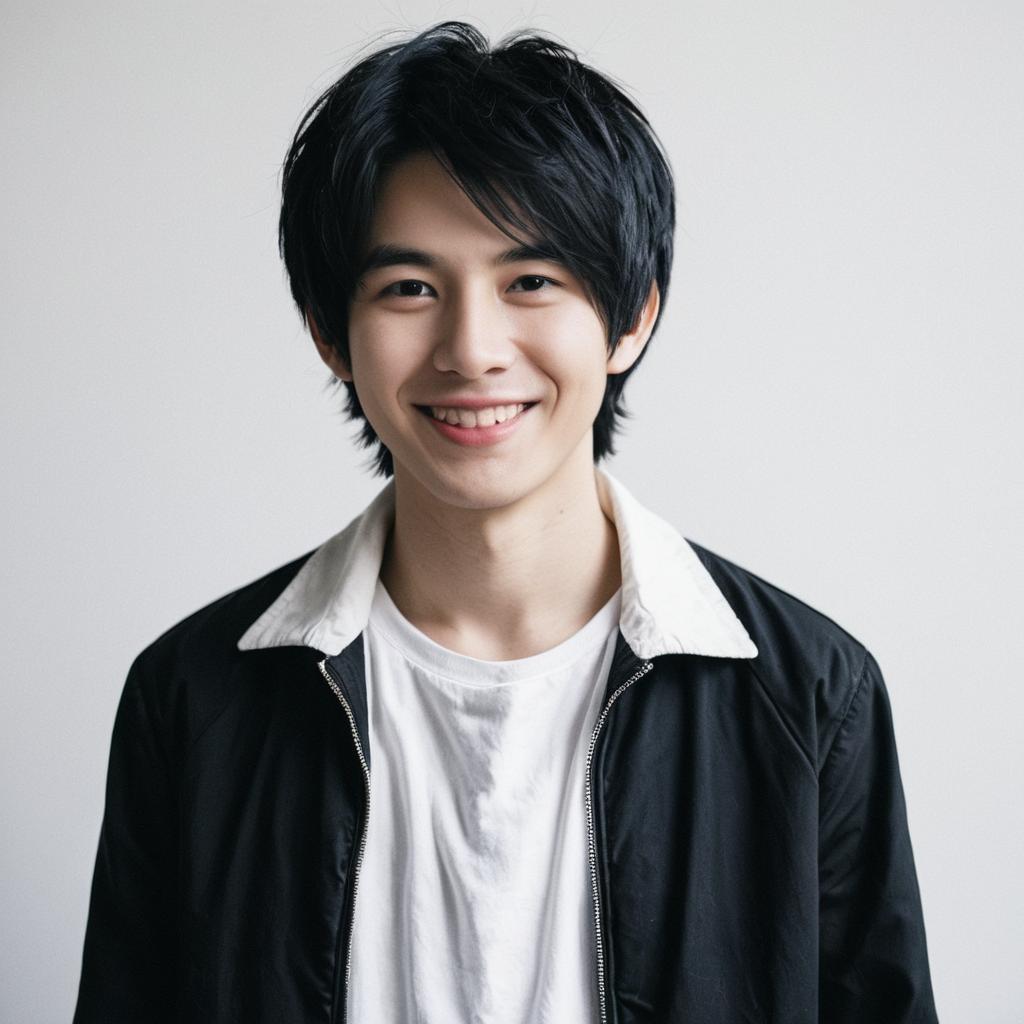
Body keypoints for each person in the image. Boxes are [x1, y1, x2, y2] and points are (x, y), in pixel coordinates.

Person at [73, 21, 939, 1024]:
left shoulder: (809, 697)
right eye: (409, 288)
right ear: (328, 332)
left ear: (632, 317)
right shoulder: (194, 700)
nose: (472, 349)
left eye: (531, 281)